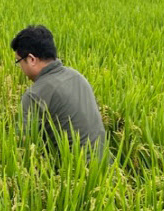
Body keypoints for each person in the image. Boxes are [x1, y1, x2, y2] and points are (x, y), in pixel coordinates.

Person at [11, 25, 109, 161]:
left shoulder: (34, 95)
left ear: (31, 59)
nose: (20, 67)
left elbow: (22, 147)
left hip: (77, 175)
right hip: (108, 167)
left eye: (19, 61)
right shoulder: (76, 76)